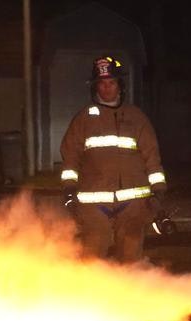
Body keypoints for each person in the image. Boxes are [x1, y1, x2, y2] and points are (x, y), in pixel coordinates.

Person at [59, 56, 168, 263]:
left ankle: (128, 293)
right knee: (92, 258)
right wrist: (69, 190)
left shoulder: (137, 118)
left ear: (120, 86)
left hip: (133, 205)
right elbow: (70, 158)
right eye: (102, 83)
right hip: (94, 205)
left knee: (130, 258)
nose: (107, 88)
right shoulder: (84, 119)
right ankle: (91, 293)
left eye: (111, 83)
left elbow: (152, 158)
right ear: (95, 87)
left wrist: (159, 192)